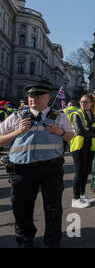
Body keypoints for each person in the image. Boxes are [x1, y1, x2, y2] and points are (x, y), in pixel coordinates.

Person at [0, 84, 74, 248]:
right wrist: (17, 132)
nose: (33, 99)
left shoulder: (59, 116)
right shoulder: (17, 116)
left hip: (51, 168)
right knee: (21, 207)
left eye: (38, 96)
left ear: (48, 98)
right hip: (22, 169)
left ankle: (52, 241)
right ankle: (25, 240)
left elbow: (71, 136)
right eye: (31, 97)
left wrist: (60, 132)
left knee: (53, 207)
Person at [70, 94, 95, 208]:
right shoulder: (77, 114)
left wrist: (88, 129)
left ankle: (82, 195)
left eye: (85, 102)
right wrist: (93, 133)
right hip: (79, 145)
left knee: (85, 171)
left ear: (91, 103)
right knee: (79, 172)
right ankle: (75, 199)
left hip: (90, 145)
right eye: (81, 102)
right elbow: (79, 131)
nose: (82, 104)